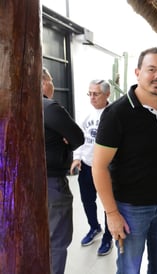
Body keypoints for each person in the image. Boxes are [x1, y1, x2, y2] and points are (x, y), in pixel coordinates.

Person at [91, 47, 157, 273]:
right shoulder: (117, 113)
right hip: (130, 209)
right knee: (129, 269)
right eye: (151, 69)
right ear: (137, 72)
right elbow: (99, 167)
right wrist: (111, 214)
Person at [42, 67, 85, 274]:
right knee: (56, 241)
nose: (53, 85)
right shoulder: (49, 108)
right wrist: (63, 144)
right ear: (42, 82)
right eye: (50, 80)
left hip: (11, 186)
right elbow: (78, 138)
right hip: (50, 184)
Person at [70, 79, 112, 255]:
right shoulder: (86, 114)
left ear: (107, 94)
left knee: (108, 204)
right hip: (87, 166)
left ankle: (109, 237)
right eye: (90, 93)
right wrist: (77, 158)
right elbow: (80, 138)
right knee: (87, 201)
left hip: (106, 169)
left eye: (96, 94)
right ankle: (94, 227)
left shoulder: (113, 114)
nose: (92, 98)